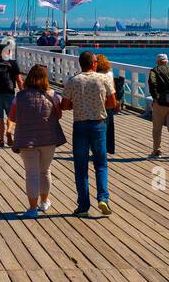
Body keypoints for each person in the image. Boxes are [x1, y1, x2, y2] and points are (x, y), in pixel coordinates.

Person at [61, 51, 117, 217]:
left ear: (80, 64)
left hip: (80, 125)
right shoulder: (103, 79)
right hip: (99, 124)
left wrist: (75, 105)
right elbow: (112, 103)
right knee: (101, 164)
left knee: (80, 167)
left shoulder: (73, 80)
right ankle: (103, 198)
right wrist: (100, 104)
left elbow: (64, 105)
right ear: (93, 63)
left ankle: (83, 206)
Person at [10, 65, 66, 217]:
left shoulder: (19, 96)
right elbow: (58, 115)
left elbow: (13, 117)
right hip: (48, 139)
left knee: (32, 174)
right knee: (45, 171)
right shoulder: (53, 95)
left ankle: (33, 209)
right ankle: (44, 202)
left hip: (26, 140)